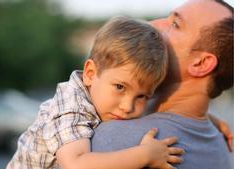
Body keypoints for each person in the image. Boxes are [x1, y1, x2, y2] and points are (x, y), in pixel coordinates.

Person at [6, 16, 186, 169]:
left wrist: (212, 121)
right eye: (120, 87)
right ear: (91, 74)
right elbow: (75, 164)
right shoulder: (71, 105)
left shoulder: (104, 100)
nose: (127, 107)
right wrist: (145, 155)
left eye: (142, 96)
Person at [91, 0, 234, 169]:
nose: (152, 24)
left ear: (201, 64)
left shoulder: (113, 142)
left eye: (175, 24)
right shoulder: (220, 145)